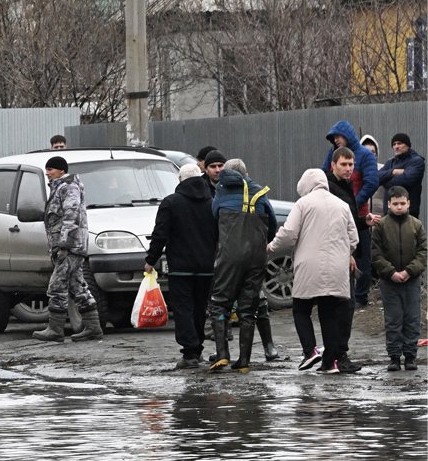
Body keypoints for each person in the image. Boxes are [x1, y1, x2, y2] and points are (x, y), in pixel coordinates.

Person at [267, 169, 358, 374]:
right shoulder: (342, 205)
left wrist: (272, 246)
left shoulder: (303, 204)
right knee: (329, 314)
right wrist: (344, 252)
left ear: (306, 185)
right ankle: (329, 363)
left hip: (309, 266)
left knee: (301, 308)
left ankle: (310, 351)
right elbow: (354, 239)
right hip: (336, 268)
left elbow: (289, 234)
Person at [208, 158, 277, 372]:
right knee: (248, 308)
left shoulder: (221, 193)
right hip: (256, 258)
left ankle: (222, 354)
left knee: (220, 303)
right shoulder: (259, 193)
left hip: (229, 257)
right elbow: (272, 225)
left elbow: (214, 219)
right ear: (246, 173)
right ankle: (244, 361)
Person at [144, 163, 216, 368]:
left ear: (180, 180)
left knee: (183, 308)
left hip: (180, 267)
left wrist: (151, 260)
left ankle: (190, 354)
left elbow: (160, 235)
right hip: (206, 267)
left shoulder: (171, 203)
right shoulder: (212, 202)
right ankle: (198, 348)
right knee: (200, 308)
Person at [32, 155, 102, 342]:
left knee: (57, 285)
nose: (47, 173)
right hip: (69, 246)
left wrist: (64, 243)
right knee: (77, 285)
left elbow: (71, 215)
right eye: (47, 169)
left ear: (61, 170)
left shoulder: (68, 187)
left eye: (51, 169)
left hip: (69, 246)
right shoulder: (60, 187)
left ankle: (55, 329)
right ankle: (93, 328)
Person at [320, 120, 378, 307]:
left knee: (361, 258)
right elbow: (322, 177)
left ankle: (360, 298)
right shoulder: (332, 154)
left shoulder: (364, 156)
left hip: (358, 216)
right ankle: (340, 296)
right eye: (333, 137)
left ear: (348, 135)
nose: (336, 140)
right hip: (333, 216)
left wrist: (352, 204)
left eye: (338, 136)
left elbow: (371, 182)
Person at [370, 186, 425, 371]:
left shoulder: (416, 225)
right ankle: (394, 356)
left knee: (412, 318)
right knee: (393, 319)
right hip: (389, 281)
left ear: (408, 203)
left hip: (412, 280)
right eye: (395, 203)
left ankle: (410, 356)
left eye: (402, 203)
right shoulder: (381, 226)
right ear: (389, 204)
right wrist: (391, 272)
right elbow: (376, 254)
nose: (399, 207)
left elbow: (423, 252)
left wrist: (409, 271)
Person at [325, 146, 365, 372]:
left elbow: (348, 221)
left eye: (351, 165)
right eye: (344, 164)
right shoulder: (330, 189)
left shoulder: (345, 186)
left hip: (344, 252)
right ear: (333, 165)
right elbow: (334, 226)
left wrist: (363, 221)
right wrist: (348, 253)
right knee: (342, 306)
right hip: (337, 255)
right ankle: (338, 356)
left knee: (343, 307)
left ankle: (336, 355)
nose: (349, 169)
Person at [378, 132, 424, 218]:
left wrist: (385, 182)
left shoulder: (417, 161)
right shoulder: (390, 162)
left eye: (399, 143)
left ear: (407, 145)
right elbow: (377, 177)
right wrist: (393, 172)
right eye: (394, 144)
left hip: (409, 213)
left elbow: (406, 180)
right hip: (389, 212)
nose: (396, 146)